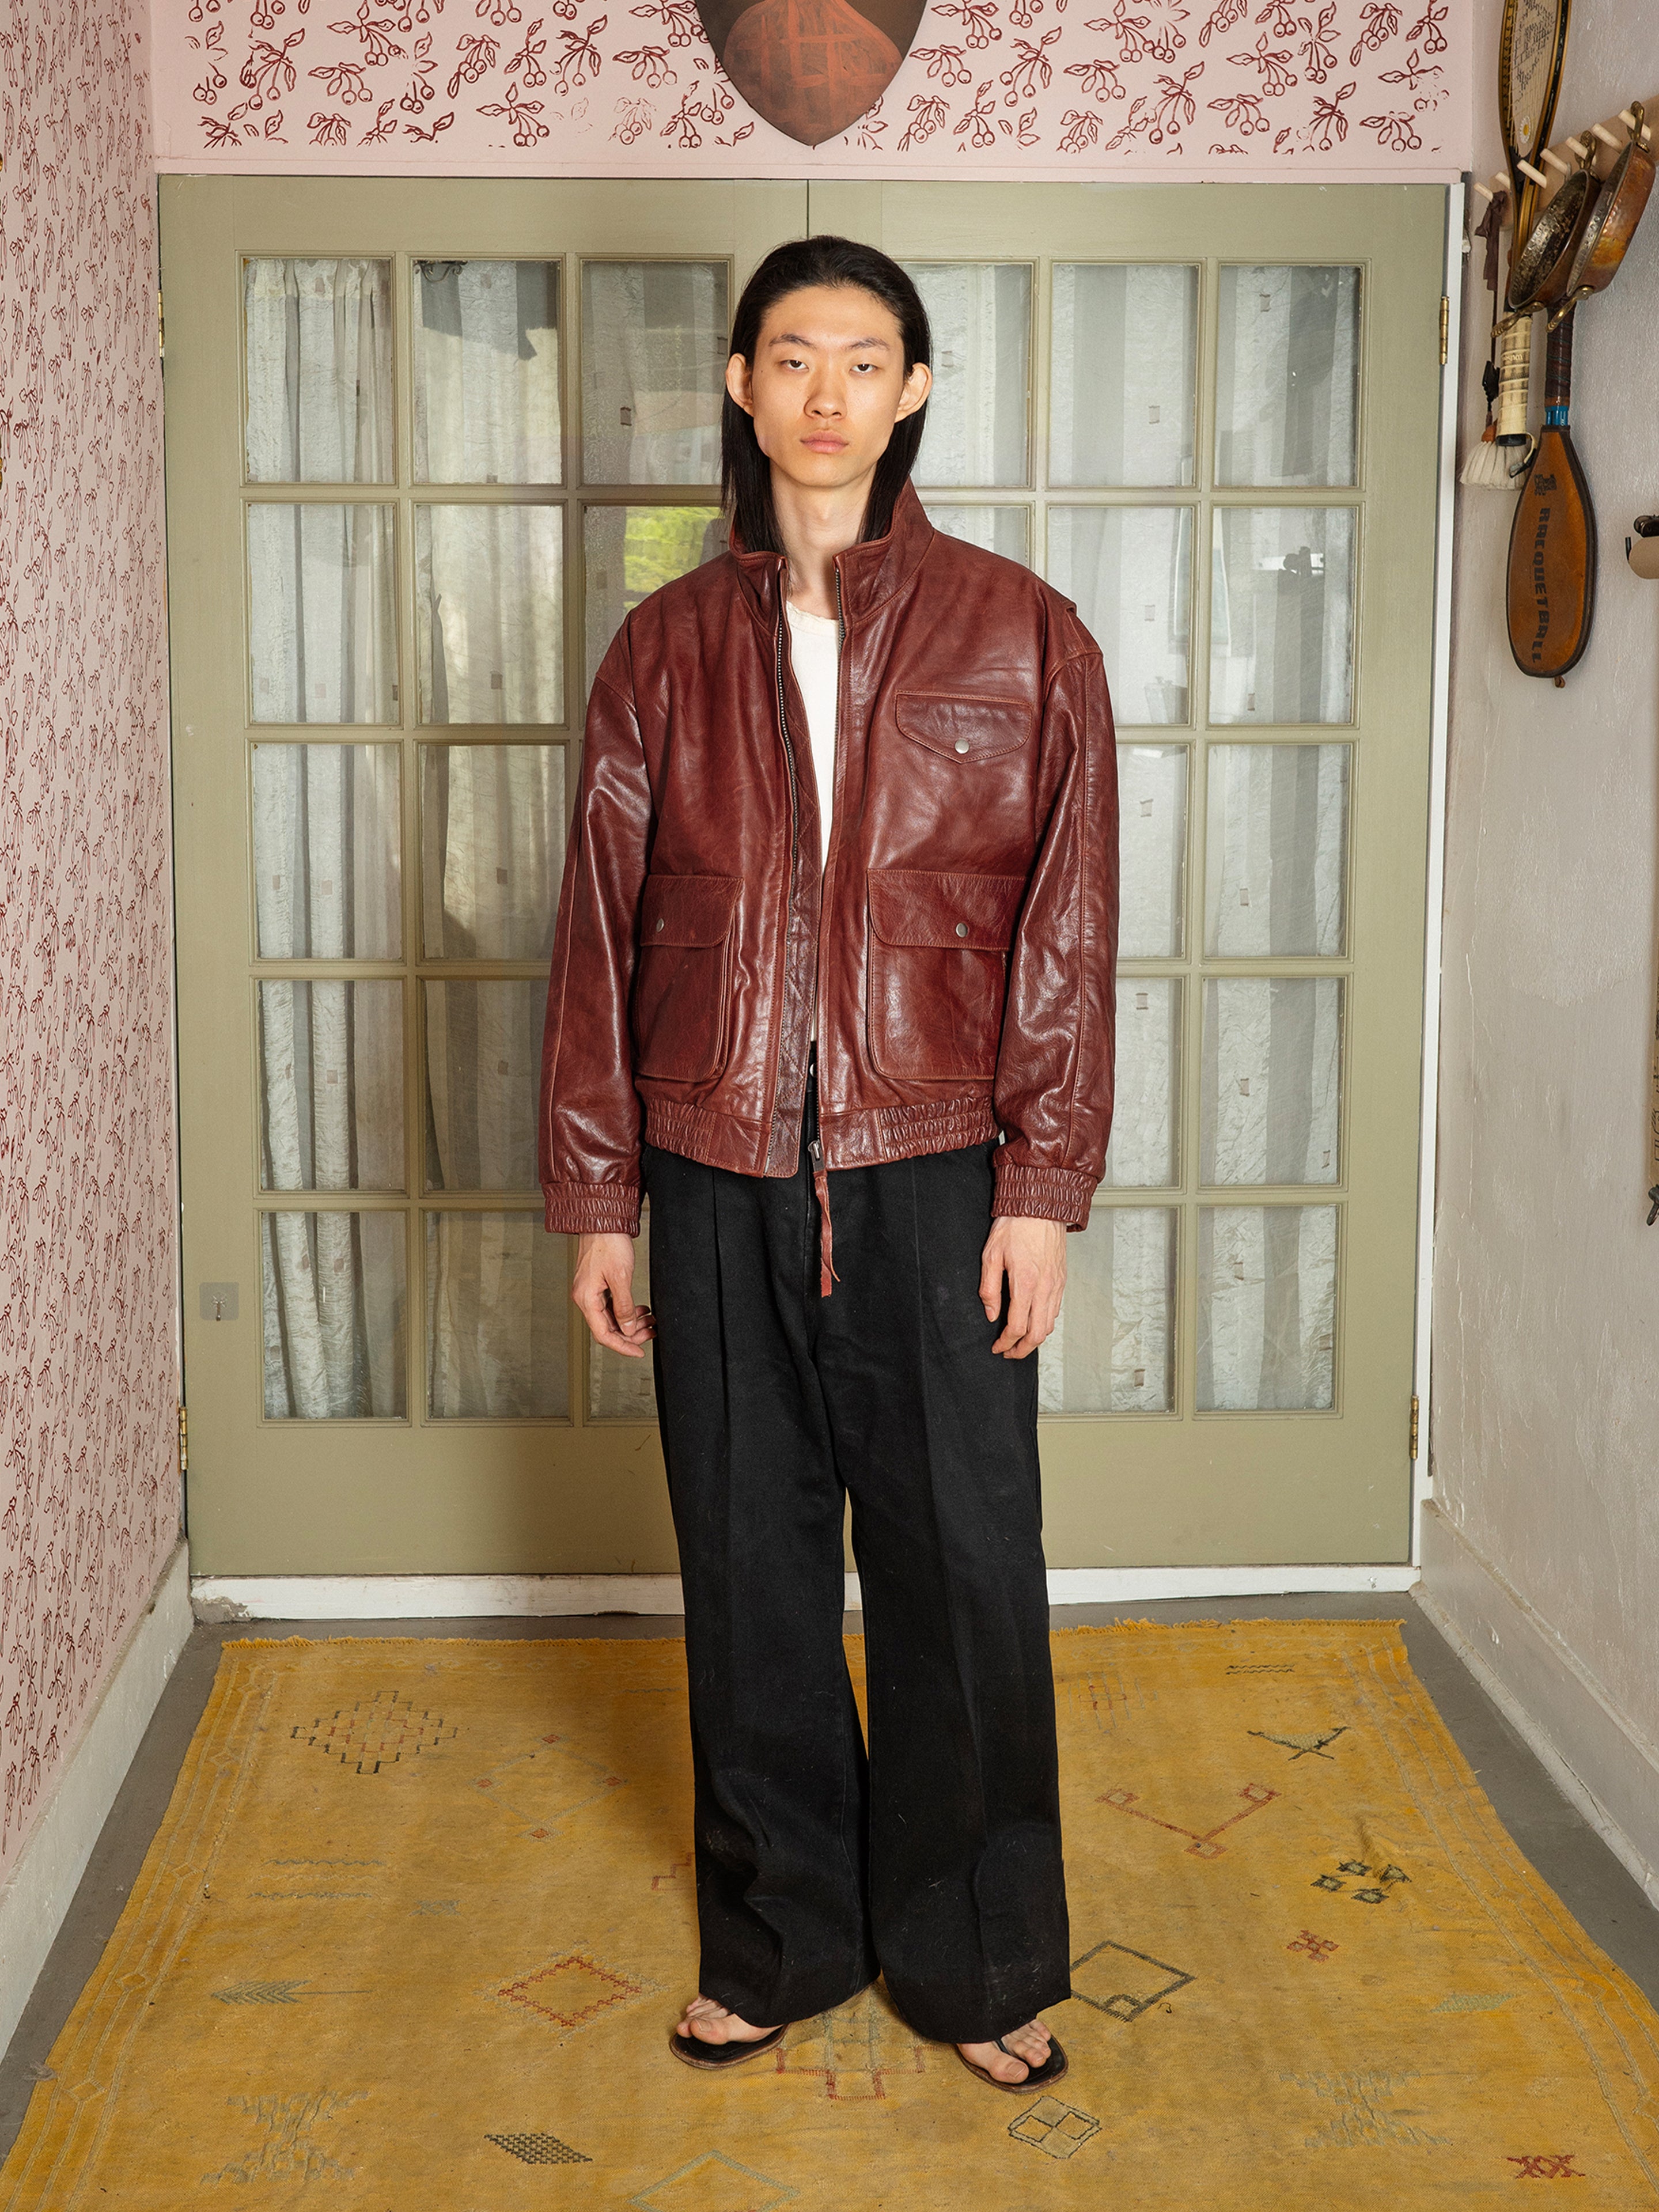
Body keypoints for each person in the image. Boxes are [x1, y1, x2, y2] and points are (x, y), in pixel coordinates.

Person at [537, 235, 1118, 2092]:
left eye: (866, 361)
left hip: (939, 1164)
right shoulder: (663, 648)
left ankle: (974, 1954)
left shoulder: (1022, 634)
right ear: (740, 383)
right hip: (710, 1167)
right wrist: (600, 1196)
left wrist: (1043, 1187)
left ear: (916, 392)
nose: (826, 394)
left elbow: (1067, 928)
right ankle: (784, 1938)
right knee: (752, 1565)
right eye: (792, 358)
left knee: (963, 1569)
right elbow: (600, 937)